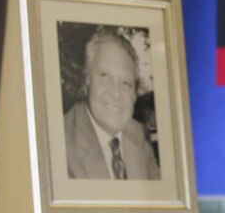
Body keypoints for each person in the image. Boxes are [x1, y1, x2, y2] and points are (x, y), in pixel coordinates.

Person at [64, 31, 160, 180]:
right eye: (105, 76)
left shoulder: (138, 134)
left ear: (134, 94)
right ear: (87, 81)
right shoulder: (61, 145)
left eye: (126, 83)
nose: (116, 94)